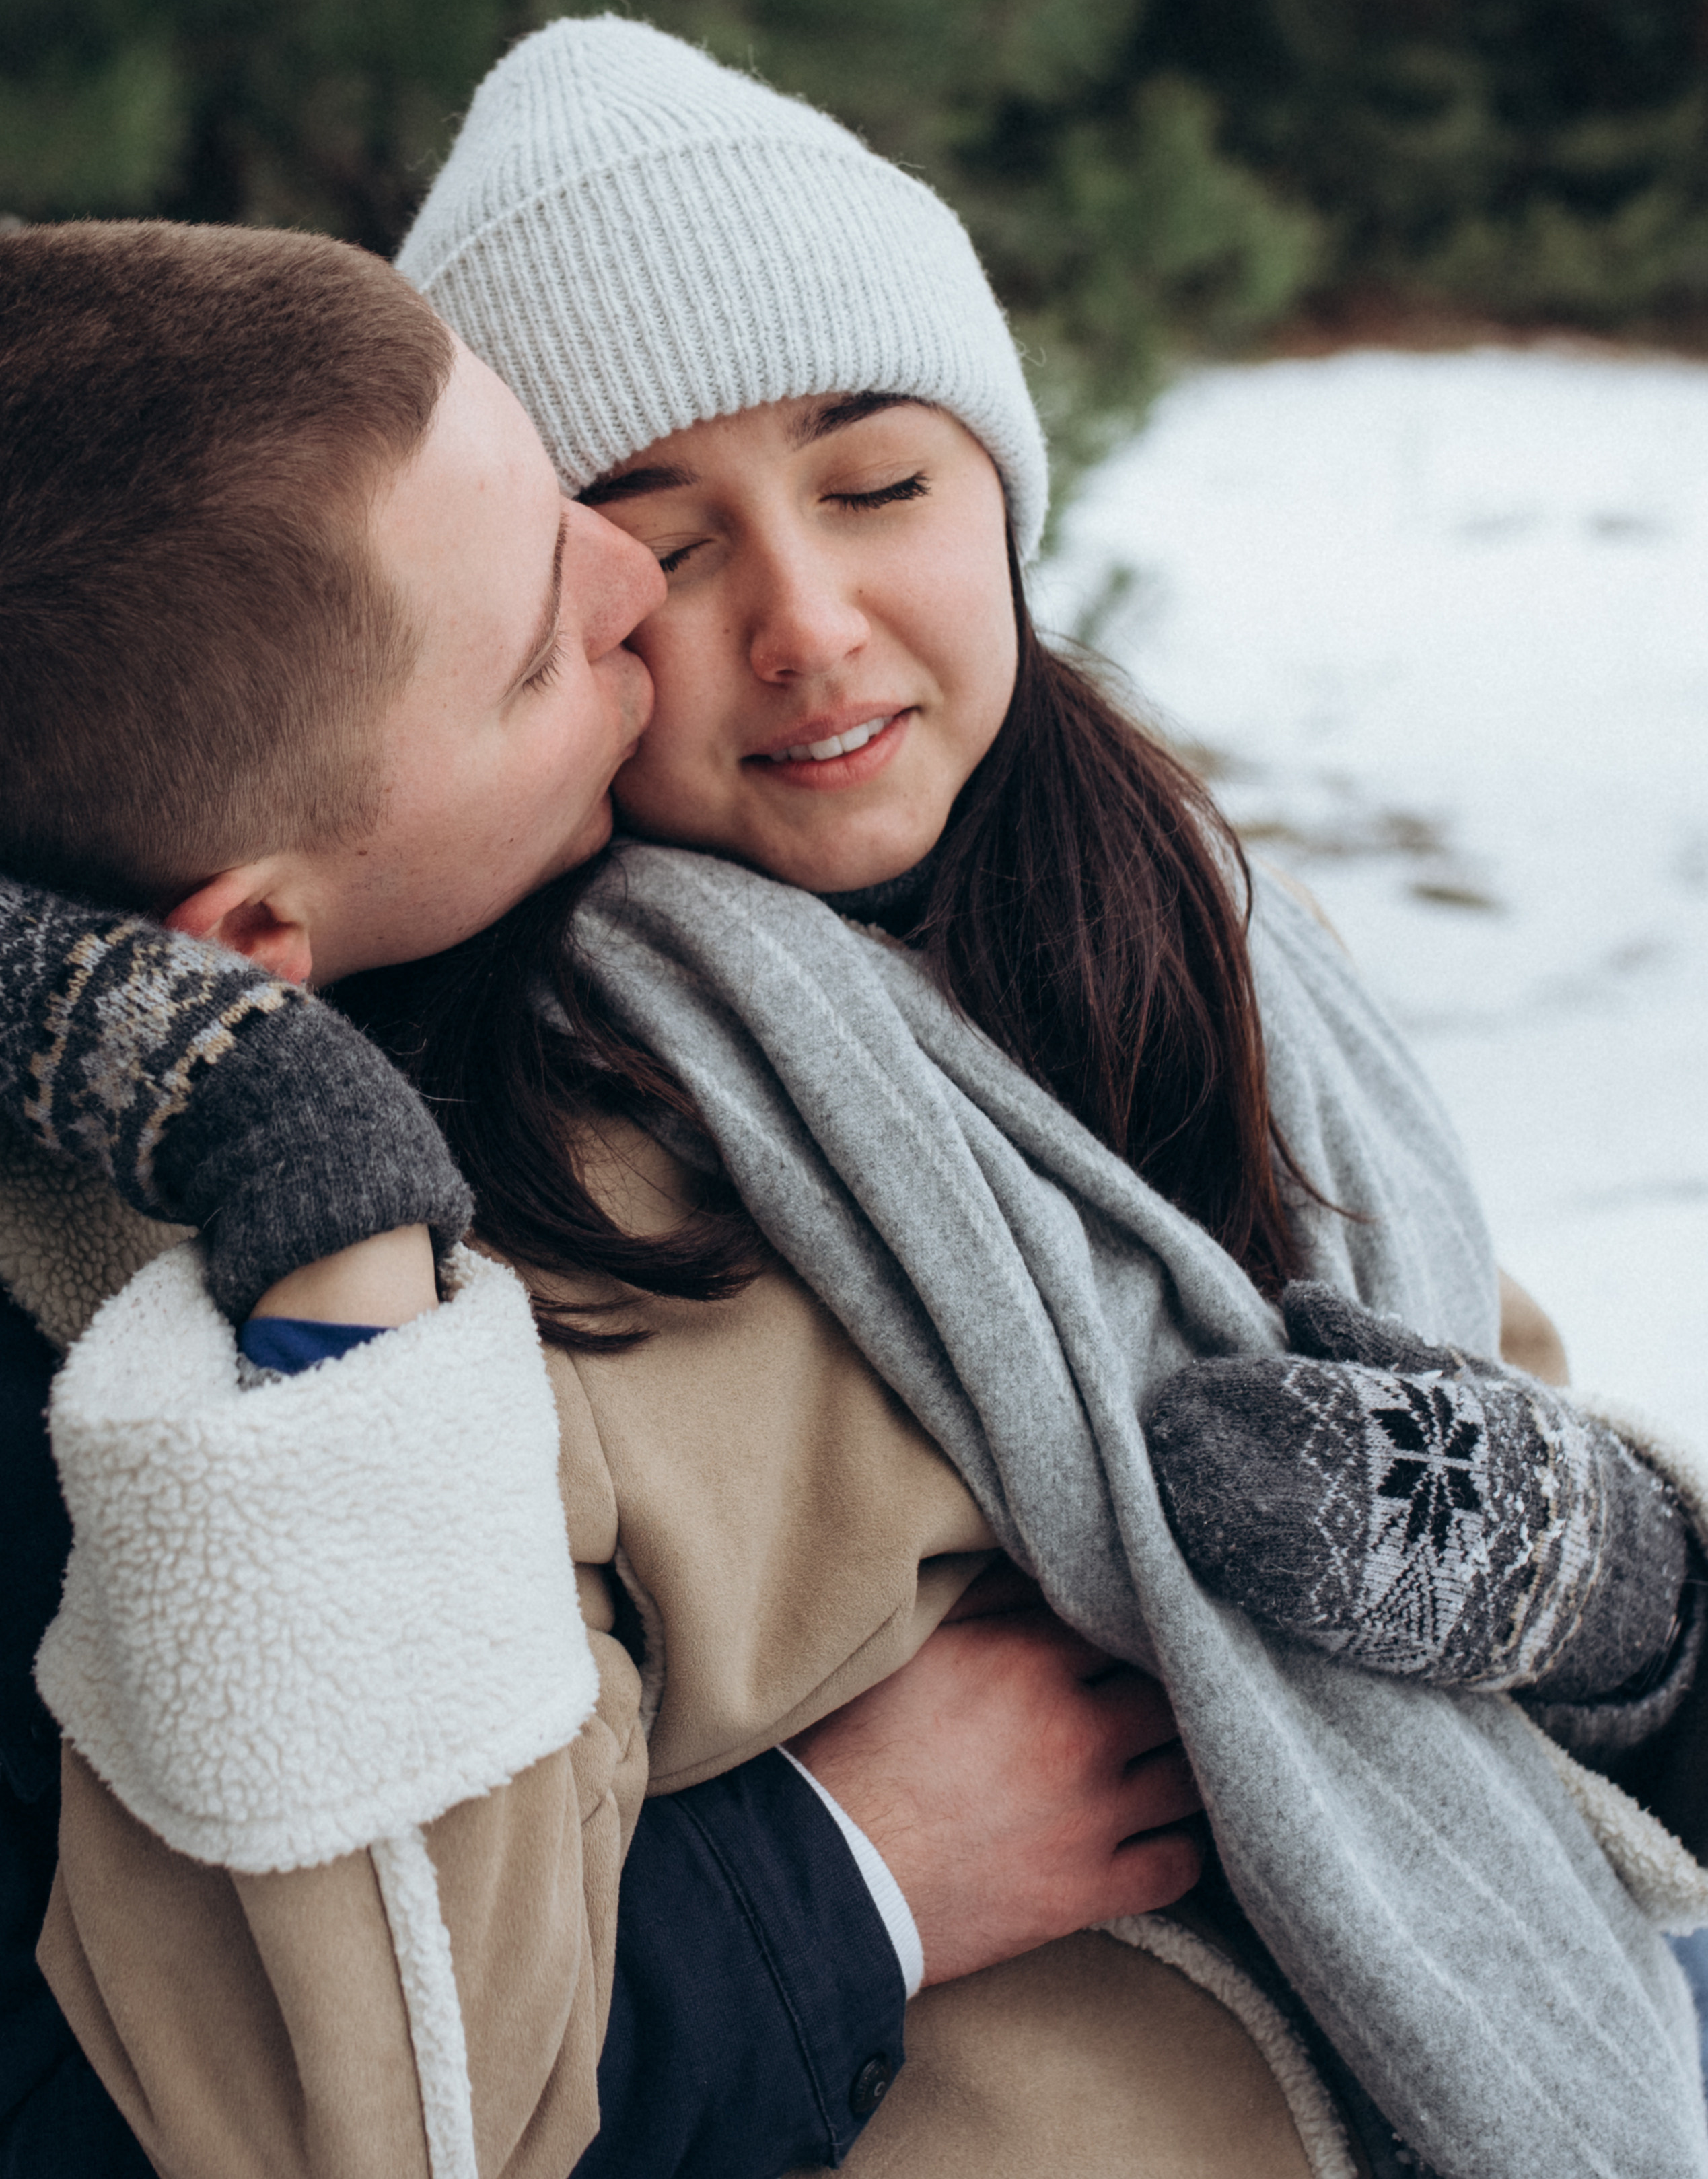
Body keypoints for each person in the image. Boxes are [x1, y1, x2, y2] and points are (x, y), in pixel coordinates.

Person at [358, 14, 1708, 2178]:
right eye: (667, 547)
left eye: (876, 484)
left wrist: (1627, 1598)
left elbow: (1529, 1488)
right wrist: (843, 1860)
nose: (805, 622)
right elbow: (368, 2026)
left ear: (1000, 495)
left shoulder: (1213, 937)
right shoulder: (473, 1167)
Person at [0, 221, 1209, 2178]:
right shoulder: (278, 1293)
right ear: (251, 940)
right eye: (548, 643)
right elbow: (305, 2094)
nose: (634, 582)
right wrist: (847, 1874)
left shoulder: (1113, 887)